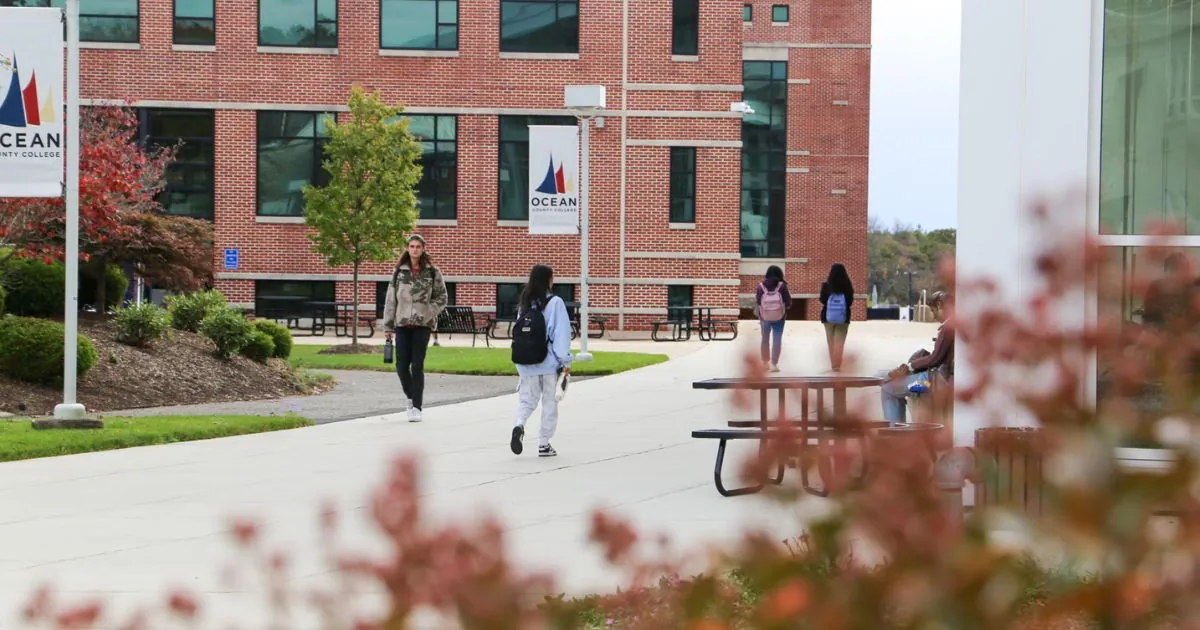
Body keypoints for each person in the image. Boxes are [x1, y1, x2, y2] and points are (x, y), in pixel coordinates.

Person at [381, 234, 449, 422]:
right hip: (402, 324)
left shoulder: (432, 272)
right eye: (412, 246)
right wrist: (388, 325)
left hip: (422, 325)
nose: (415, 249)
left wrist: (428, 311)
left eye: (418, 246)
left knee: (417, 365)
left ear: (423, 249)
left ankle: (417, 407)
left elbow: (442, 297)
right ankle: (411, 397)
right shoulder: (399, 272)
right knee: (402, 366)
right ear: (407, 248)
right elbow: (391, 300)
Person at [509, 264, 573, 458]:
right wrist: (565, 361)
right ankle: (544, 444)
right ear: (548, 281)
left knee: (527, 401)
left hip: (525, 362)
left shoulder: (524, 303)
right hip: (548, 363)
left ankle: (519, 425)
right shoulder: (555, 303)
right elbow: (561, 335)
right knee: (549, 403)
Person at [879, 291, 954, 425]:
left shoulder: (948, 326)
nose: (934, 316)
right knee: (886, 377)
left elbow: (935, 358)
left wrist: (911, 366)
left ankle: (895, 430)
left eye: (933, 310)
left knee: (888, 389)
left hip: (928, 384)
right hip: (938, 381)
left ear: (939, 305)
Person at [755, 265, 793, 372]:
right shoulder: (782, 286)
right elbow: (788, 301)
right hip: (779, 317)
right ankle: (774, 364)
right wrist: (786, 307)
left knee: (764, 339)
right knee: (777, 339)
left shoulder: (761, 286)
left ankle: (765, 363)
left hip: (764, 316)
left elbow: (758, 300)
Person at [819, 263, 855, 371]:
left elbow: (822, 300)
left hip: (828, 317)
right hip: (843, 317)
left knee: (830, 341)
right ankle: (837, 364)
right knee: (839, 342)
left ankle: (833, 364)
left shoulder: (826, 285)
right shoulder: (847, 285)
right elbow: (850, 301)